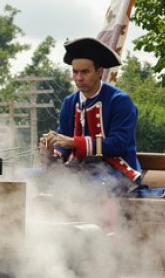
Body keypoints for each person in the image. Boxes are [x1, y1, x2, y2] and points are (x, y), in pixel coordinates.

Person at [40, 37, 142, 191]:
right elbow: (64, 141)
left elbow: (119, 144)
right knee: (25, 179)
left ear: (99, 71)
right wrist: (52, 150)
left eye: (85, 72)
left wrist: (76, 142)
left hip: (115, 172)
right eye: (75, 72)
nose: (79, 78)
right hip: (77, 171)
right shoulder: (69, 102)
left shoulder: (120, 101)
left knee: (85, 191)